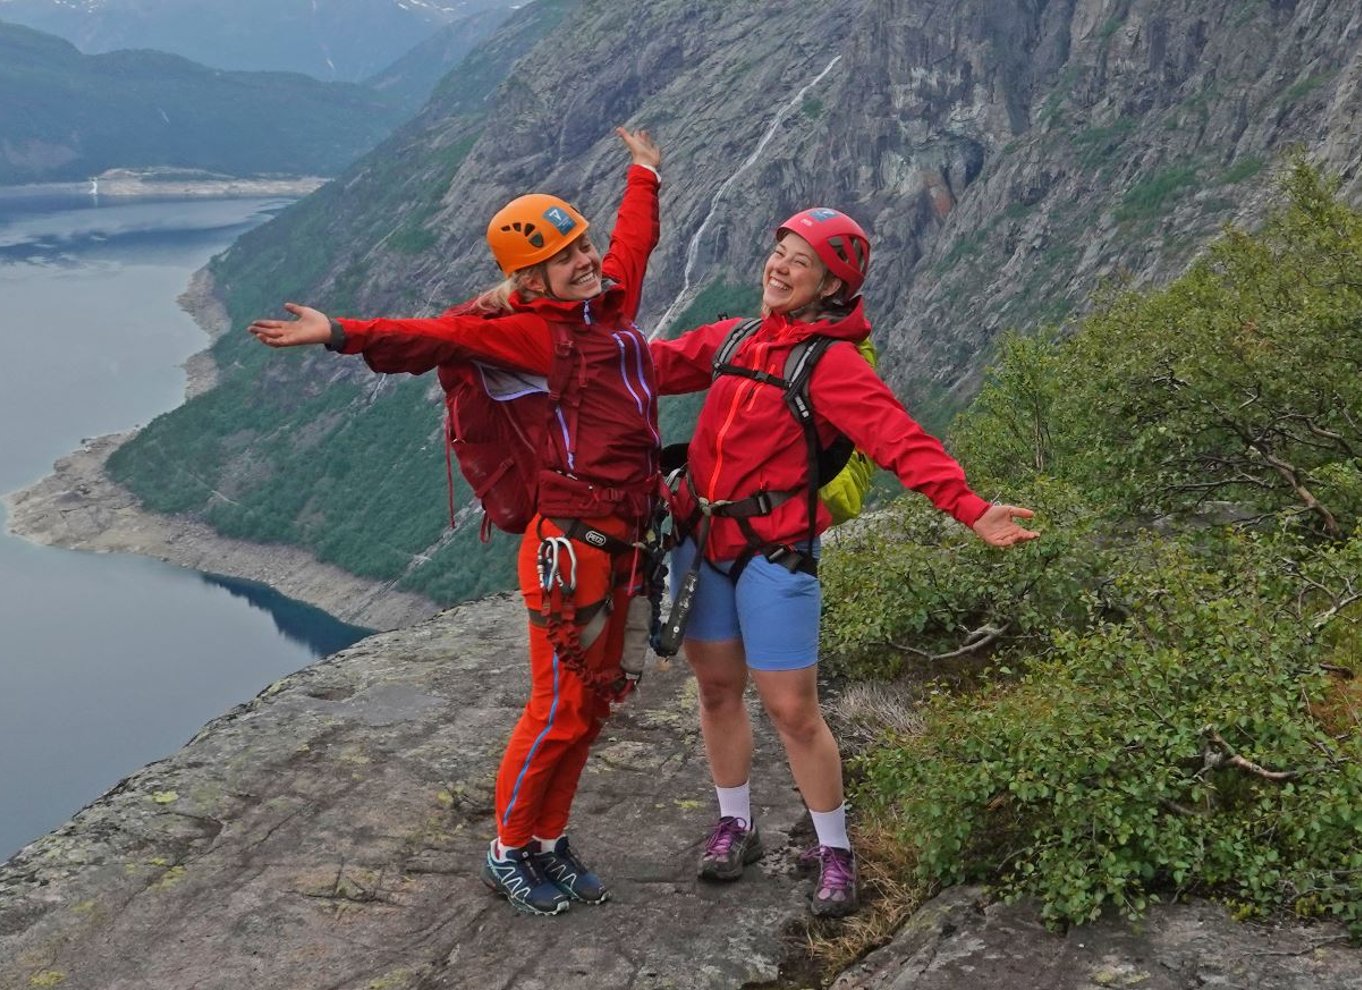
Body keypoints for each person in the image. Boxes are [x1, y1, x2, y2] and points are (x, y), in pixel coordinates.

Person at [248, 127, 664, 917]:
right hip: (570, 548)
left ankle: (548, 840)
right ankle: (507, 849)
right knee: (559, 705)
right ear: (528, 276)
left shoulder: (605, 306)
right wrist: (338, 333)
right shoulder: (513, 333)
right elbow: (427, 338)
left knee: (596, 701)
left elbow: (633, 248)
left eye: (583, 244)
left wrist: (643, 175)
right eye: (569, 254)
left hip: (623, 540)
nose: (588, 259)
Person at [649, 207, 1038, 917]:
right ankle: (735, 823)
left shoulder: (831, 364)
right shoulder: (734, 337)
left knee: (793, 707)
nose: (780, 266)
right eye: (780, 253)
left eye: (801, 261)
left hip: (776, 550)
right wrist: (543, 347)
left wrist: (971, 508)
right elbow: (641, 368)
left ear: (832, 286)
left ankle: (835, 849)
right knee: (715, 690)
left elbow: (898, 439)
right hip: (701, 540)